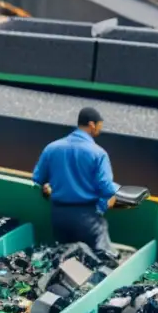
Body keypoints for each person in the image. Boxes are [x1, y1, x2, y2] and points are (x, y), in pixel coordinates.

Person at [33, 107, 119, 257]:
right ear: (92, 124)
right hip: (87, 218)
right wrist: (118, 191)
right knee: (101, 260)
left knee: (65, 260)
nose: (101, 128)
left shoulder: (52, 148)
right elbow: (106, 188)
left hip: (58, 216)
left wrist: (49, 188)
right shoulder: (98, 153)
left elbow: (38, 178)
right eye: (100, 124)